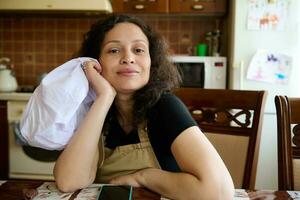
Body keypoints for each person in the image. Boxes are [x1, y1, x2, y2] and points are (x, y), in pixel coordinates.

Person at [53, 14, 234, 199]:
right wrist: (104, 97)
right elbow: (69, 182)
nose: (128, 58)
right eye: (114, 50)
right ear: (95, 62)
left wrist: (143, 177)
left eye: (138, 50)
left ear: (151, 62)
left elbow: (219, 192)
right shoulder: (90, 109)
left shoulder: (165, 107)